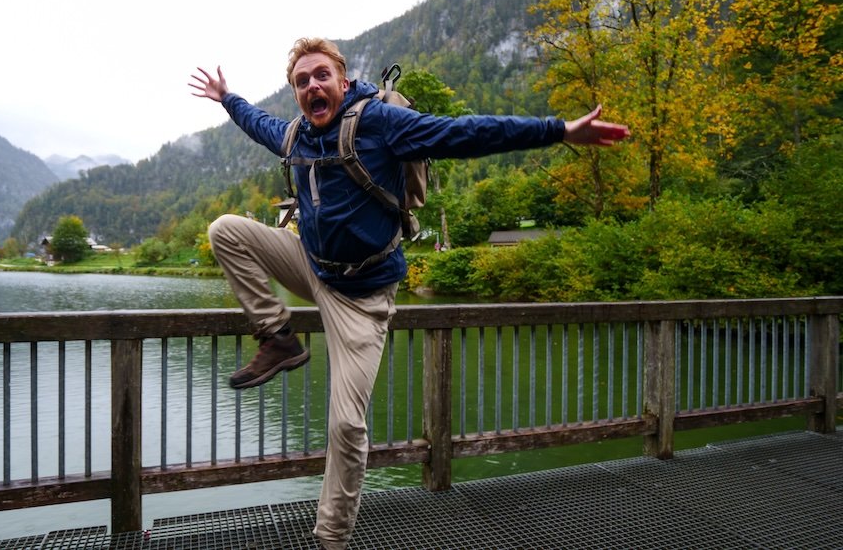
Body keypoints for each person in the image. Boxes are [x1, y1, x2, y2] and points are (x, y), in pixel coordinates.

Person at [190, 37, 629, 549]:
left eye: (321, 76)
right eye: (302, 81)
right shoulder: (296, 136)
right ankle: (279, 337)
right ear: (296, 93)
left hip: (363, 297)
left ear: (343, 80)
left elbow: (465, 133)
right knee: (226, 229)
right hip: (312, 266)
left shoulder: (379, 123)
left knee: (346, 426)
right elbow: (255, 122)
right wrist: (226, 98)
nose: (312, 85)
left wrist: (558, 131)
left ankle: (331, 539)